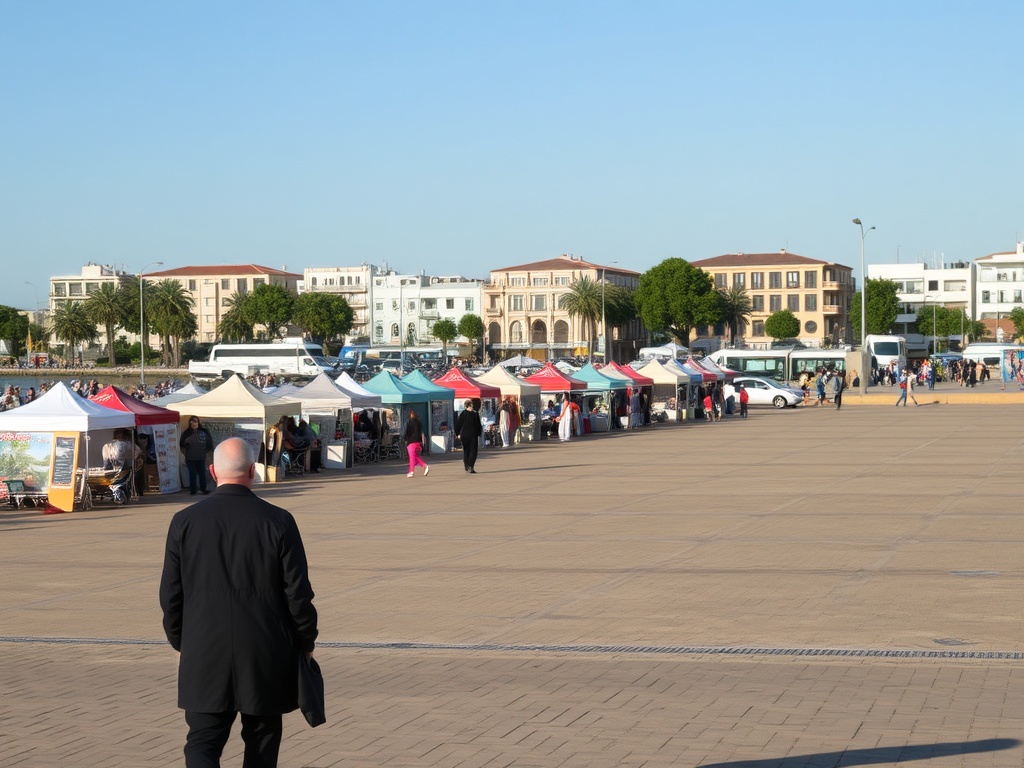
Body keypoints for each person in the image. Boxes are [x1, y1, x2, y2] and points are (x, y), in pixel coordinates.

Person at [159, 437, 318, 768]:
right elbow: (298, 592)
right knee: (262, 737)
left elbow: (171, 595)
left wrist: (181, 641)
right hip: (266, 648)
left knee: (202, 741)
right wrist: (306, 641)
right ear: (252, 471)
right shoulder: (279, 521)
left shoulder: (184, 521)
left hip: (203, 646)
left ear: (213, 471)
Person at [179, 416, 214, 495]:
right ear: (190, 423)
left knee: (202, 473)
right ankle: (193, 490)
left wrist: (207, 451)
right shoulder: (186, 433)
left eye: (195, 421)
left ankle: (203, 489)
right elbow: (181, 445)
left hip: (201, 457)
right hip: (190, 457)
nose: (194, 423)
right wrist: (185, 454)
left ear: (198, 422)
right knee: (192, 474)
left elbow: (209, 443)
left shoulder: (204, 432)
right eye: (192, 422)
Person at [455, 399, 482, 473]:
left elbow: (458, 424)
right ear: (470, 405)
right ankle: (470, 466)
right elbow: (478, 425)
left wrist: (457, 433)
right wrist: (479, 433)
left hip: (464, 435)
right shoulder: (475, 414)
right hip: (473, 435)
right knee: (473, 451)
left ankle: (466, 465)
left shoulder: (463, 414)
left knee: (466, 451)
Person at [403, 410, 429, 477]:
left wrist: (405, 439)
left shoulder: (410, 421)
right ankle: (425, 466)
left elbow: (407, 431)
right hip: (418, 441)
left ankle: (411, 471)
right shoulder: (419, 422)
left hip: (411, 441)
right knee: (415, 456)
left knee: (412, 457)